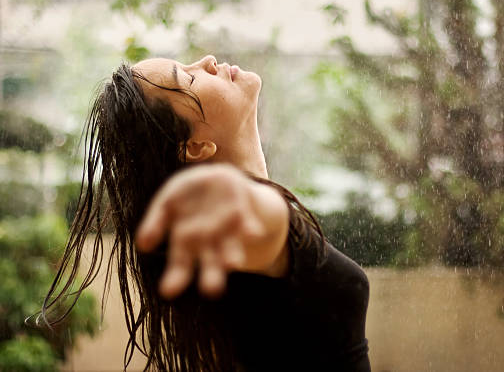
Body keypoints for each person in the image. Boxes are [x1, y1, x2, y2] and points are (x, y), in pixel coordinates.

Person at [42, 55, 371, 371]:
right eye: (188, 78)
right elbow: (260, 225)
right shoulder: (241, 232)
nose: (208, 61)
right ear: (194, 147)